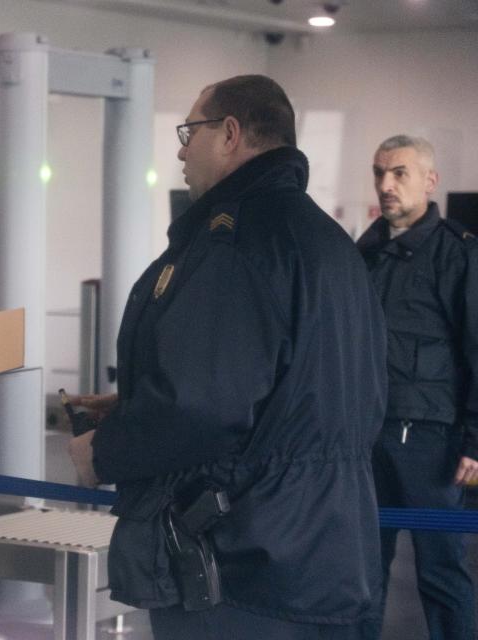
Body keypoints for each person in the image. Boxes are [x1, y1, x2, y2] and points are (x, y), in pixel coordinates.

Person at [67, 75, 387, 639]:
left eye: (191, 131)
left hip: (244, 563)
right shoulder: (330, 241)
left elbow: (204, 405)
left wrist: (105, 451)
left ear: (231, 134)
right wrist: (134, 403)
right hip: (329, 552)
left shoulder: (235, 242)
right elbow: (300, 388)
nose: (182, 148)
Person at [356, 135, 478, 640]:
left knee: (442, 574)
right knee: (361, 572)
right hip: (366, 439)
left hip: (432, 443)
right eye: (379, 172)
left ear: (429, 180)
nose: (386, 184)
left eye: (399, 173)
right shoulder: (365, 250)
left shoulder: (458, 255)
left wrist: (475, 439)